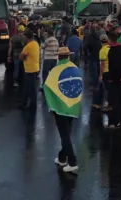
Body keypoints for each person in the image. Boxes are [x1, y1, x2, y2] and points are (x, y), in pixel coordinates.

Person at [49, 46, 81, 174]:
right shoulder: (75, 68)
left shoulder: (55, 70)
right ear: (68, 56)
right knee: (66, 133)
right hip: (72, 105)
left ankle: (72, 162)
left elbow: (47, 87)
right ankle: (62, 158)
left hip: (60, 107)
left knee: (64, 135)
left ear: (58, 57)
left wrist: (52, 105)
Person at [105, 30, 121, 129]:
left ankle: (113, 122)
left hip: (114, 78)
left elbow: (114, 66)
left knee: (113, 101)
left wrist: (112, 77)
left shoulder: (112, 51)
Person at [19, 30, 41, 110]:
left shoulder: (28, 46)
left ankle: (32, 105)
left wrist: (24, 57)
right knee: (27, 88)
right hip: (35, 68)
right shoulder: (35, 44)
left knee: (31, 89)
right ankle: (24, 103)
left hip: (30, 70)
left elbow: (21, 57)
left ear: (26, 37)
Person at [93, 34, 110, 111]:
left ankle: (105, 104)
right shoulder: (109, 48)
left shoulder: (102, 50)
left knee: (105, 89)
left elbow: (102, 64)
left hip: (105, 72)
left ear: (100, 42)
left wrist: (100, 75)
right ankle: (98, 103)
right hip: (110, 70)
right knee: (102, 88)